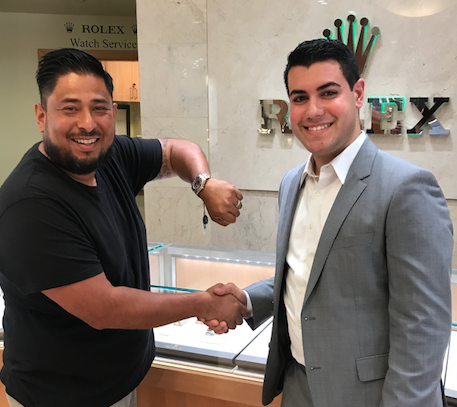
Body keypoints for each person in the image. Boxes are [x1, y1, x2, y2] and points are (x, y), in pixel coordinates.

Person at [207, 39, 453, 407]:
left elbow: (424, 326)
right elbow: (309, 274)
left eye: (328, 93)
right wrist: (248, 300)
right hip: (298, 387)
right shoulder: (292, 182)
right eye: (300, 98)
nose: (313, 110)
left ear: (358, 94)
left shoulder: (406, 188)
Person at [0, 48, 247, 407]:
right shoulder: (30, 204)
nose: (87, 123)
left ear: (113, 113)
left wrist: (203, 184)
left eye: (99, 108)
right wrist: (203, 303)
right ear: (42, 116)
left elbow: (175, 150)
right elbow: (105, 308)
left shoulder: (109, 156)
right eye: (70, 108)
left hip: (117, 384)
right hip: (60, 396)